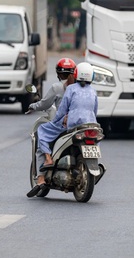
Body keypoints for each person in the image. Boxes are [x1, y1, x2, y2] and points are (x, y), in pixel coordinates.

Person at [27, 62, 98, 197]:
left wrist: (56, 121)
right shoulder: (93, 91)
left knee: (42, 130)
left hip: (71, 123)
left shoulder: (70, 89)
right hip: (91, 124)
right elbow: (94, 110)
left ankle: (48, 159)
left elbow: (62, 110)